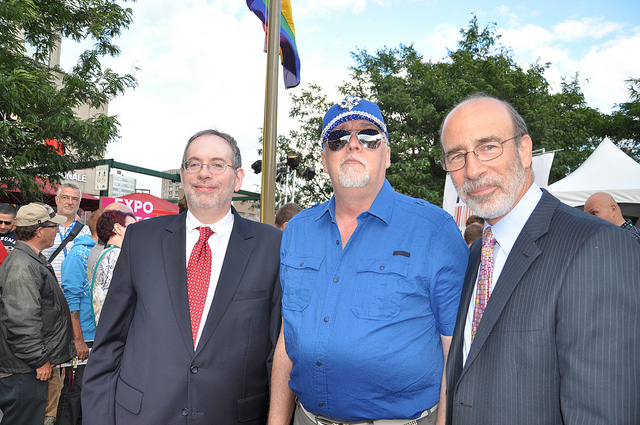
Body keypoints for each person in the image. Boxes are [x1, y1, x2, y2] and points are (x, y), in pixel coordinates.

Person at [440, 94, 640, 425]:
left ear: (523, 150)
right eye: (457, 156)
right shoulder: (478, 252)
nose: (472, 169)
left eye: (488, 147)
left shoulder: (598, 247)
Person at [269, 95, 469, 425]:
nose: (353, 145)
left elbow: (456, 352)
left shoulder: (435, 230)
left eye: (368, 136)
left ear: (387, 154)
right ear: (324, 158)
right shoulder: (297, 230)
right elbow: (287, 339)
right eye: (337, 139)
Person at [82, 129, 282, 425]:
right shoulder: (141, 240)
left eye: (217, 164)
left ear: (238, 178)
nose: (204, 173)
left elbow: (276, 352)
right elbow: (110, 342)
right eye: (194, 164)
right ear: (182, 174)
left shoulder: (272, 246)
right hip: (142, 415)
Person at [0, 203, 75, 425]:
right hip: (24, 367)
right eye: (54, 226)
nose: (57, 230)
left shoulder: (29, 259)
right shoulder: (23, 265)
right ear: (39, 230)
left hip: (25, 365)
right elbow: (21, 320)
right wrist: (39, 360)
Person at [39, 183, 91, 424]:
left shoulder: (85, 232)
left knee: (68, 357)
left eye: (74, 199)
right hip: (47, 300)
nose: (69, 202)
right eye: (65, 198)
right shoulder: (46, 225)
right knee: (46, 355)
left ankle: (56, 410)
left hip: (73, 302)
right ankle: (47, 410)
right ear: (56, 200)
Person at [56, 208, 103, 425]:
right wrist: (78, 340)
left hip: (100, 338)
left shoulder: (106, 252)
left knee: (90, 397)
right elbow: (71, 300)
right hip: (83, 339)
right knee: (73, 397)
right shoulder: (78, 255)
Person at [89, 209, 136, 325]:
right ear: (118, 228)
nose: (138, 231)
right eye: (133, 227)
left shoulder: (104, 253)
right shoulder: (116, 255)